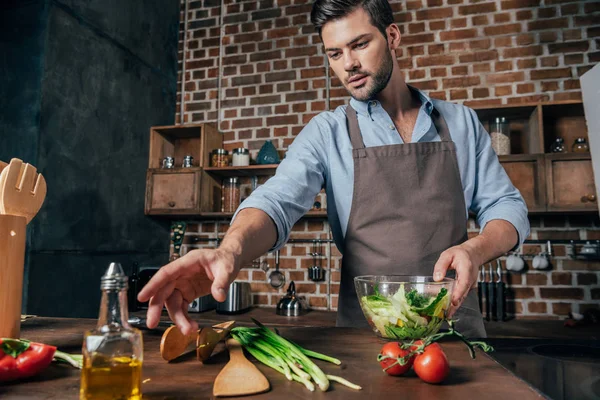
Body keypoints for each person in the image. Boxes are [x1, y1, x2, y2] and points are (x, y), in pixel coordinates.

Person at [138, 0, 529, 338]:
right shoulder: (327, 132)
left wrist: (476, 250)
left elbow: (506, 207)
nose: (349, 65)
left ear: (392, 37)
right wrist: (231, 250)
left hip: (456, 335)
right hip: (368, 339)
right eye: (335, 53)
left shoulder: (460, 122)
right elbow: (277, 201)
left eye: (360, 44)